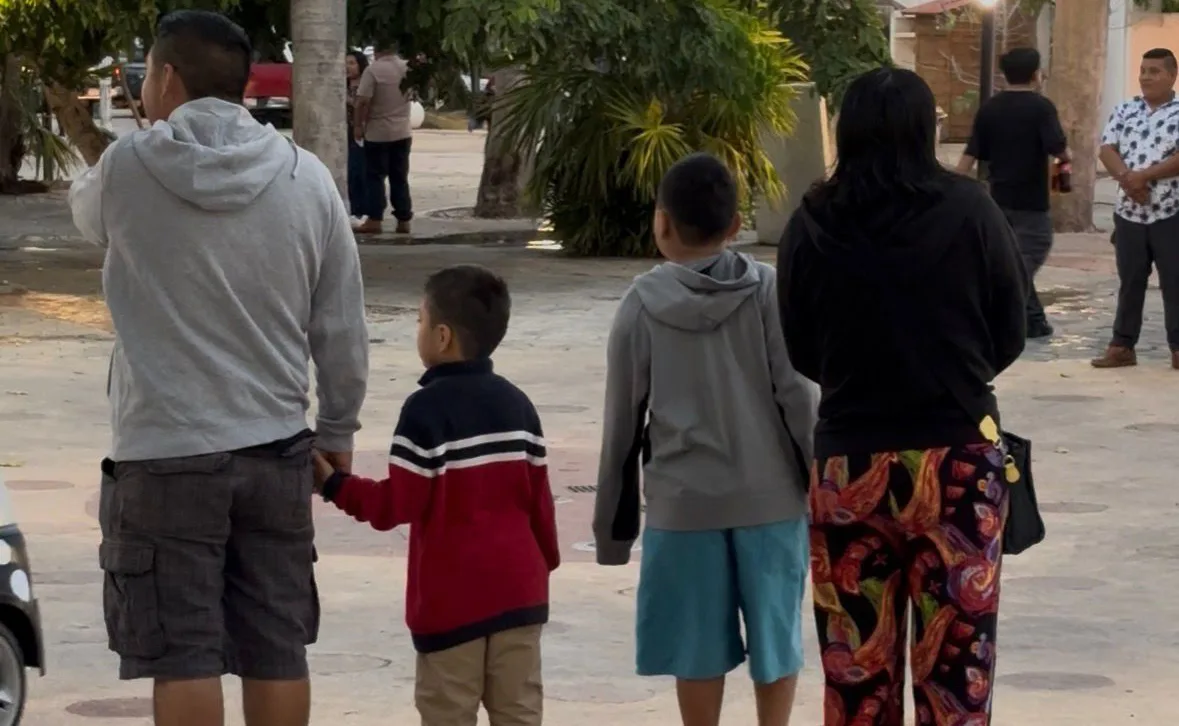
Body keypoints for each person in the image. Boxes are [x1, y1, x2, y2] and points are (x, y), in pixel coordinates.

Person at [68, 10, 369, 726]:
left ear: (167, 78)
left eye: (148, 74)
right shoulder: (307, 178)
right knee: (276, 647)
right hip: (277, 450)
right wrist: (338, 430)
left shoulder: (127, 168)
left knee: (183, 654)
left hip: (164, 456)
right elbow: (340, 324)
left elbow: (85, 216)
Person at [777, 68, 1026, 725]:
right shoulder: (972, 209)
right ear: (924, 130)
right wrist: (954, 372)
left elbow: (800, 347)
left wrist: (857, 379)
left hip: (847, 464)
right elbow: (1011, 329)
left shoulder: (811, 221)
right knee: (956, 677)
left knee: (856, 673)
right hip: (956, 462)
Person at [594, 153, 818, 726]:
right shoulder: (769, 291)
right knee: (777, 640)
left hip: (683, 507)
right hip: (771, 502)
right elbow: (799, 396)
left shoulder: (640, 306)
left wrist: (612, 533)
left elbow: (621, 426)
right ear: (736, 224)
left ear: (661, 222)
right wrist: (821, 485)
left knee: (694, 649)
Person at [312, 265, 560, 726]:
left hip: (452, 602)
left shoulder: (424, 410)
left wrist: (335, 485)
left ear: (442, 336)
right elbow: (539, 502)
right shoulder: (518, 403)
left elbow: (397, 505)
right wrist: (543, 565)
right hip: (521, 591)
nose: (418, 329)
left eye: (420, 320)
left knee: (448, 712)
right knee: (520, 712)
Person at [957, 47, 1070, 340]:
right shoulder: (1042, 108)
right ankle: (1015, 319)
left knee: (1012, 259)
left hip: (998, 199)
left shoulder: (990, 108)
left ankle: (1034, 321)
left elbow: (971, 152)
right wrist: (1065, 166)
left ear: (1004, 74)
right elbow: (1059, 150)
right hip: (1032, 201)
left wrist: (954, 184)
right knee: (1024, 260)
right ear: (1036, 75)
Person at [1091, 47, 1179, 370]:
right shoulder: (1125, 109)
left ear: (1172, 75)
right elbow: (1107, 149)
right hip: (1129, 211)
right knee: (1130, 280)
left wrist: (1145, 176)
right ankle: (1122, 345)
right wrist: (1129, 180)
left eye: (1154, 71)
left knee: (1175, 280)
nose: (1145, 77)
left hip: (1171, 211)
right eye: (1143, 70)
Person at [353, 45, 413, 236]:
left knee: (374, 177)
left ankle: (375, 219)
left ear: (377, 51)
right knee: (400, 177)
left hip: (377, 132)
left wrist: (358, 125)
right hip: (403, 131)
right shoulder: (407, 68)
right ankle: (403, 219)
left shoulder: (373, 70)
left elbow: (362, 100)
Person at [346, 49, 370, 225]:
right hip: (344, 133)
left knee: (360, 171)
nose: (347, 67)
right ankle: (355, 210)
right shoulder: (341, 85)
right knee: (351, 172)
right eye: (345, 63)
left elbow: (361, 105)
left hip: (362, 133)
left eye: (352, 63)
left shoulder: (365, 86)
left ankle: (364, 210)